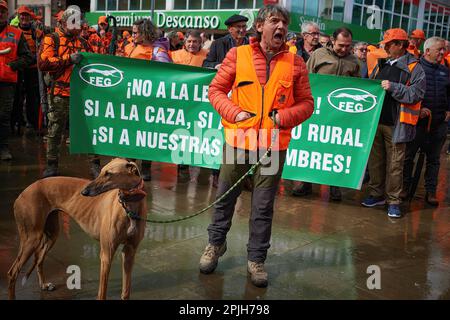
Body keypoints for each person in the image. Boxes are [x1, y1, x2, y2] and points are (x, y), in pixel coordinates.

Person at [199, 4, 314, 288]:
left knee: (263, 206)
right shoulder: (237, 55)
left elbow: (307, 104)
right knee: (224, 198)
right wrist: (233, 112)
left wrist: (284, 117)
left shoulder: (296, 61)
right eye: (275, 21)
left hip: (273, 148)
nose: (281, 27)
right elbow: (215, 90)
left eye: (285, 23)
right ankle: (215, 245)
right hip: (238, 142)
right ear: (260, 26)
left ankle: (257, 260)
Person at [362, 28, 426, 218]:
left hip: (397, 125)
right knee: (376, 162)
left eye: (389, 44)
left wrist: (394, 87)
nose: (385, 47)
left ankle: (394, 201)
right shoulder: (381, 64)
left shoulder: (415, 68)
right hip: (377, 122)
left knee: (395, 165)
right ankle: (376, 193)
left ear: (400, 45)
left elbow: (417, 94)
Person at [295, 27, 359, 201]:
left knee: (336, 148)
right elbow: (306, 79)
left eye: (348, 46)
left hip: (340, 113)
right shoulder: (318, 55)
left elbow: (358, 87)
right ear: (332, 40)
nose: (344, 49)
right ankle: (306, 183)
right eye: (341, 45)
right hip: (317, 109)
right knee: (313, 146)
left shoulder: (354, 60)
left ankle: (334, 186)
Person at [39, 6, 95, 177]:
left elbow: (95, 65)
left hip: (81, 94)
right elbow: (44, 63)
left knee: (88, 130)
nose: (76, 26)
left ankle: (95, 165)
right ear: (63, 23)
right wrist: (68, 59)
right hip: (59, 94)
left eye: (78, 22)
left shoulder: (84, 43)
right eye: (72, 22)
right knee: (55, 130)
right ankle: (52, 164)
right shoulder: (52, 39)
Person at [403, 37, 450, 206]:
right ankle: (404, 189)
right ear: (428, 51)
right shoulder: (415, 68)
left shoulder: (445, 71)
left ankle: (430, 192)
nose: (443, 53)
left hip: (438, 124)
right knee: (408, 157)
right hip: (417, 123)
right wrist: (418, 109)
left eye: (444, 49)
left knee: (434, 159)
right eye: (440, 49)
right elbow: (407, 92)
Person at [124, 19, 172, 181]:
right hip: (131, 98)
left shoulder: (157, 50)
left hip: (148, 100)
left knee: (146, 133)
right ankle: (129, 164)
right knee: (130, 132)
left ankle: (145, 167)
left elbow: (167, 71)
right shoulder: (132, 47)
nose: (133, 35)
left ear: (145, 33)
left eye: (136, 32)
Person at [0, 0, 33, 160]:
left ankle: (3, 148)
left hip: (7, 83)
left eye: (3, 11)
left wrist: (12, 66)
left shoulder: (16, 34)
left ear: (7, 14)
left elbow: (28, 57)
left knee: (4, 116)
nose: (0, 13)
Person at [12, 6, 42, 134]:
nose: (24, 17)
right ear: (18, 17)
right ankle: (15, 123)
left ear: (30, 17)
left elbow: (42, 49)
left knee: (32, 98)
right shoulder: (13, 31)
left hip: (33, 70)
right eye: (22, 15)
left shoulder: (37, 32)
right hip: (18, 69)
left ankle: (33, 124)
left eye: (26, 15)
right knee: (16, 97)